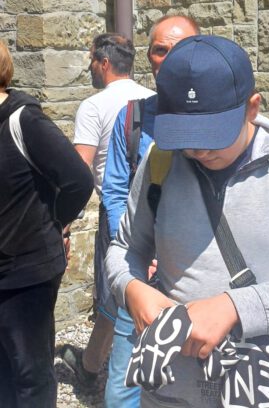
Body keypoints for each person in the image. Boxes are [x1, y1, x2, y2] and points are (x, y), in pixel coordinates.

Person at [105, 34, 269, 408]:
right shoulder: (160, 160)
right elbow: (125, 249)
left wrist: (234, 306)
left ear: (252, 107)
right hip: (173, 392)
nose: (197, 149)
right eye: (185, 135)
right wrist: (131, 288)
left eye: (213, 134)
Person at [101, 14, 200, 407]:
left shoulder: (221, 116)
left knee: (199, 382)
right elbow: (114, 193)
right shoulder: (133, 118)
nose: (170, 57)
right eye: (160, 49)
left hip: (200, 273)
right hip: (144, 274)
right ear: (150, 58)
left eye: (181, 48)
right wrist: (136, 254)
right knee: (124, 386)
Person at [0, 40, 93, 407]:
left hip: (27, 274)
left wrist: (58, 224)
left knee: (30, 374)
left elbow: (78, 180)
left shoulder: (23, 120)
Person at [60, 33, 153, 387]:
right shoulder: (150, 100)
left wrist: (64, 222)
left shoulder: (93, 106)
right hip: (156, 206)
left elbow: (79, 171)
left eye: (91, 62)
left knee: (116, 290)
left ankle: (99, 369)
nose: (89, 69)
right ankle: (100, 363)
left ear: (104, 62)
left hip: (117, 209)